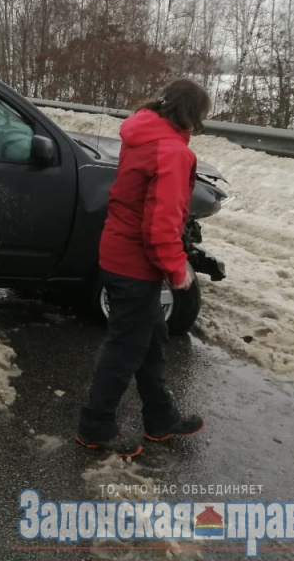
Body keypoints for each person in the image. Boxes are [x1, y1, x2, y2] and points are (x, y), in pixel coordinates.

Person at [75, 79, 211, 458]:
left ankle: (161, 418)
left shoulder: (143, 136)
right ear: (192, 113)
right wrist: (176, 268)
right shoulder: (170, 150)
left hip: (120, 253)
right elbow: (161, 222)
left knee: (151, 340)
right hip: (136, 264)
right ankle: (95, 426)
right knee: (125, 349)